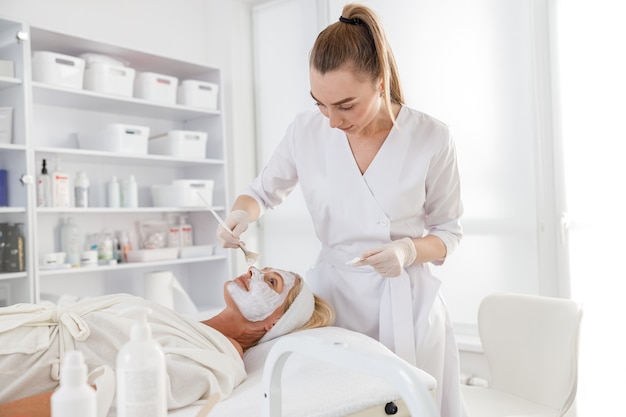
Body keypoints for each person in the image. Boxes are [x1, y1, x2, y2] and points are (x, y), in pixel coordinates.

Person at [216, 4, 465, 417]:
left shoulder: (430, 138)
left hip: (407, 302)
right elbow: (259, 193)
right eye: (320, 104)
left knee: (413, 403)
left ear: (380, 83)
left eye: (346, 106)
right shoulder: (305, 130)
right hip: (332, 301)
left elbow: (449, 233)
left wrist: (405, 252)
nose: (331, 121)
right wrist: (241, 214)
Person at [0, 266, 334, 417]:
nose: (252, 272)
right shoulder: (196, 326)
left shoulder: (220, 361)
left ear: (274, 323)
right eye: (260, 269)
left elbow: (111, 396)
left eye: (270, 281)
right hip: (19, 331)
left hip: (25, 364)